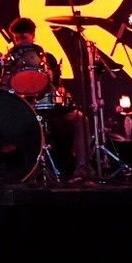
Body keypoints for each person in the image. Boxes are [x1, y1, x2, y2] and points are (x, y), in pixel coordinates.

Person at [8, 17, 91, 181]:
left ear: (33, 35)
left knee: (80, 119)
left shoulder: (48, 58)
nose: (20, 42)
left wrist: (49, 77)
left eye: (23, 37)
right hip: (23, 109)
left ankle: (82, 168)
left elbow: (56, 88)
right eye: (16, 39)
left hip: (47, 106)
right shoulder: (8, 60)